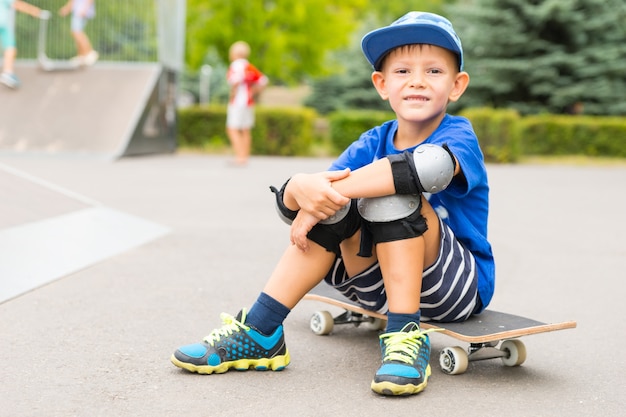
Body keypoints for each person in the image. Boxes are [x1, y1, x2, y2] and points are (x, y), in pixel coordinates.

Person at [171, 11, 495, 397]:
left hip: (454, 288)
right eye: (403, 71)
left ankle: (406, 335)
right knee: (333, 204)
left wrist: (333, 189)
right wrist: (299, 188)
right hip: (373, 284)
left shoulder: (459, 135)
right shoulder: (373, 140)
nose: (418, 81)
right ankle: (261, 329)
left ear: (457, 85)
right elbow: (304, 205)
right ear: (381, 84)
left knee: (391, 187)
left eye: (434, 72)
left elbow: (429, 169)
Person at [225, 40, 268, 166]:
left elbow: (235, 80)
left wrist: (234, 90)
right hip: (248, 102)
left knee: (232, 128)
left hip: (237, 102)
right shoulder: (249, 66)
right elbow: (263, 80)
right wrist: (253, 91)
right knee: (245, 129)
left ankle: (239, 156)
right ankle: (244, 156)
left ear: (234, 53)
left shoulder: (235, 65)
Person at [0, 0, 47, 89]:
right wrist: (33, 10)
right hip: (2, 24)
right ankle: (8, 73)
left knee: (10, 46)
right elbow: (16, 4)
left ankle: (8, 73)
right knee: (10, 47)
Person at [58, 0, 97, 67]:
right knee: (76, 32)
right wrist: (67, 8)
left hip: (80, 11)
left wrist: (85, 9)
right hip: (78, 11)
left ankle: (89, 52)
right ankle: (81, 56)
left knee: (77, 32)